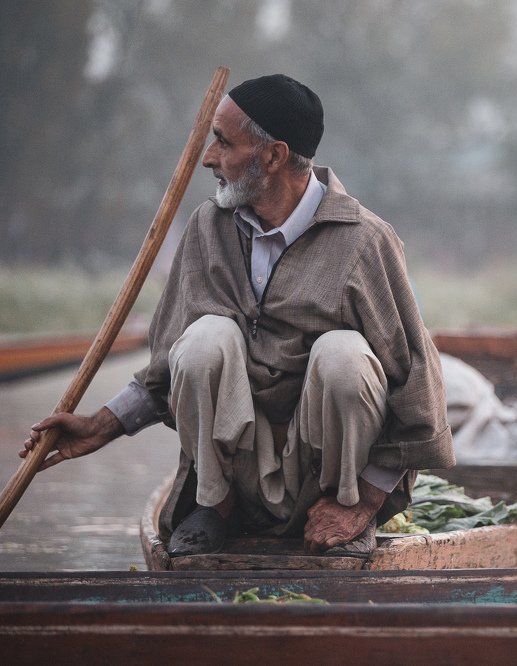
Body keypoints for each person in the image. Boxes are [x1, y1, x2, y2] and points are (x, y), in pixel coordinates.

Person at [22, 74, 455, 558]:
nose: (208, 157)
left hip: (324, 484)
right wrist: (103, 424)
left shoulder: (364, 242)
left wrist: (367, 502)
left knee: (343, 355)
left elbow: (418, 389)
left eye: (223, 143)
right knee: (206, 337)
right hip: (236, 475)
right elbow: (168, 365)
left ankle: (343, 507)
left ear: (273, 156)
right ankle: (213, 507)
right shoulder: (210, 226)